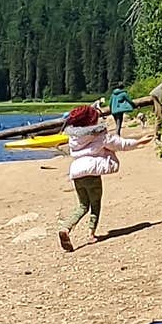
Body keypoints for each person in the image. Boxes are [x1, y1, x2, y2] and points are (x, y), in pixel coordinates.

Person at [60, 100, 121, 250]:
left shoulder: (74, 136)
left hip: (76, 173)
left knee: (82, 205)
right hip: (91, 173)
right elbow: (112, 142)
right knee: (95, 204)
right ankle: (91, 234)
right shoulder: (96, 134)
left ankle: (66, 228)